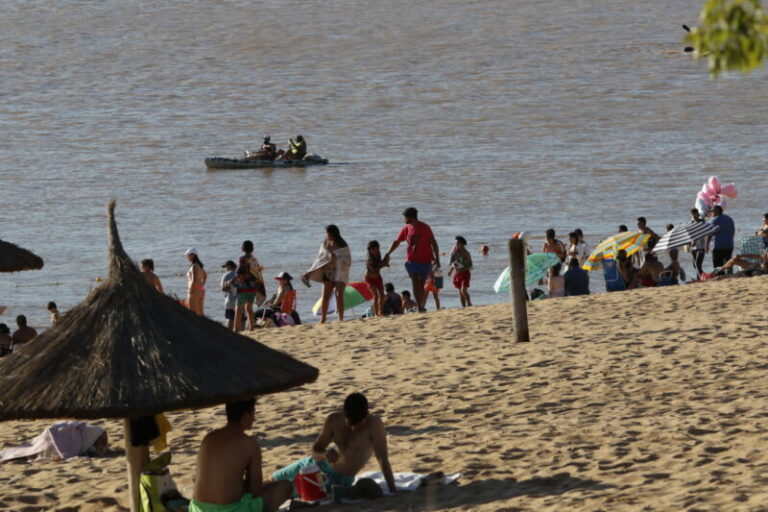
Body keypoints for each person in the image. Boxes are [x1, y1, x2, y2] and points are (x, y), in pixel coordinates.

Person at [270, 393, 396, 496]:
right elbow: (315, 450)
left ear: (366, 416)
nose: (353, 428)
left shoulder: (374, 425)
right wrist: (324, 455)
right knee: (271, 480)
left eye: (358, 425)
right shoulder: (333, 420)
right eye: (350, 424)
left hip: (335, 479)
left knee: (281, 491)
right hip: (312, 465)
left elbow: (383, 459)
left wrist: (393, 490)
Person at [190, 399, 292, 512]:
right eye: (253, 414)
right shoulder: (249, 444)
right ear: (245, 416)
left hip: (197, 508)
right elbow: (255, 491)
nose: (254, 419)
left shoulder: (209, 437)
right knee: (285, 486)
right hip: (231, 509)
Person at [384, 207, 440, 313]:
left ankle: (420, 305)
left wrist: (437, 259)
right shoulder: (406, 229)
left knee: (421, 283)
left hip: (426, 261)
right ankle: (419, 306)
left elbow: (433, 242)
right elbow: (396, 242)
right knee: (415, 279)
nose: (404, 219)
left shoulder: (425, 228)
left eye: (405, 217)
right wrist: (388, 253)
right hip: (411, 261)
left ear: (410, 217)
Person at [235, 241, 267, 332]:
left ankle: (236, 330)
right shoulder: (254, 260)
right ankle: (251, 328)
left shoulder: (242, 259)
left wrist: (237, 283)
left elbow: (239, 273)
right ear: (252, 249)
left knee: (238, 309)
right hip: (253, 288)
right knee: (249, 308)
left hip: (243, 287)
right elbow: (257, 273)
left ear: (242, 249)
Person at [448, 236, 473, 307]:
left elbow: (470, 265)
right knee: (460, 291)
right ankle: (463, 306)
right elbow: (453, 263)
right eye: (456, 243)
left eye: (458, 243)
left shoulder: (466, 253)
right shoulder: (454, 252)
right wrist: (450, 270)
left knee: (463, 290)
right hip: (457, 274)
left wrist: (464, 268)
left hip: (465, 273)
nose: (456, 244)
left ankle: (469, 303)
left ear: (462, 244)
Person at [364, 241, 386, 317]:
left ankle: (381, 312)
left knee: (382, 295)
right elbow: (374, 269)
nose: (376, 250)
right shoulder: (369, 258)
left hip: (378, 277)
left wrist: (384, 262)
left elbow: (379, 263)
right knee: (375, 296)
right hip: (369, 278)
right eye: (374, 249)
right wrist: (384, 264)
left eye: (377, 249)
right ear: (369, 249)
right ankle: (376, 314)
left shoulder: (378, 253)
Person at [186, 248, 207, 316]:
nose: (187, 257)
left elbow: (194, 280)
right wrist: (202, 284)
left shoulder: (194, 266)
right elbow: (205, 275)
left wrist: (190, 290)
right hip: (200, 289)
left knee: (192, 313)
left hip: (195, 290)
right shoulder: (199, 266)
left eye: (188, 255)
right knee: (201, 312)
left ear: (193, 255)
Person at [690, 208, 707, 279]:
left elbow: (704, 233)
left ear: (698, 214)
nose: (693, 215)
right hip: (693, 247)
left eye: (695, 213)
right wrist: (689, 243)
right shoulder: (691, 223)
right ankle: (701, 276)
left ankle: (700, 278)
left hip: (701, 246)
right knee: (694, 265)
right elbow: (690, 234)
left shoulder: (702, 222)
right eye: (692, 214)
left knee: (698, 264)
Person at [220, 260, 238, 330]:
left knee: (230, 318)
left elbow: (222, 289)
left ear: (229, 266)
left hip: (230, 299)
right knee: (240, 318)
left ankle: (229, 333)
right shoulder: (239, 274)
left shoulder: (226, 275)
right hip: (240, 299)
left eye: (226, 267)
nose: (225, 268)